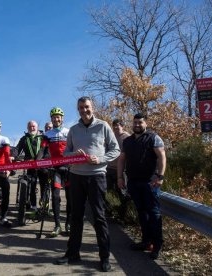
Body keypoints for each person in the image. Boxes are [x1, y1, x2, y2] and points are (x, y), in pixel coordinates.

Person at [56, 96, 120, 272]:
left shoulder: (103, 126)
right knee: (76, 216)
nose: (84, 110)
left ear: (92, 107)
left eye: (87, 107)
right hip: (76, 176)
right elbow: (65, 153)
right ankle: (73, 254)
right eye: (81, 108)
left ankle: (104, 257)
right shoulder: (74, 130)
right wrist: (74, 154)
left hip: (96, 176)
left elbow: (115, 150)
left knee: (99, 217)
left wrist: (99, 159)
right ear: (78, 110)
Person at [117, 113, 166, 260]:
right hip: (133, 182)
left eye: (140, 122)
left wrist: (160, 176)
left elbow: (162, 156)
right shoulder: (128, 141)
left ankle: (157, 246)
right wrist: (120, 178)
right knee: (141, 213)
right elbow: (121, 160)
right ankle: (146, 242)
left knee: (154, 214)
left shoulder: (153, 138)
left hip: (150, 183)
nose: (137, 125)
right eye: (135, 123)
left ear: (146, 123)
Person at [37, 107, 71, 237]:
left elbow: (74, 147)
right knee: (55, 196)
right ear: (51, 119)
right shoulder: (48, 134)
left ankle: (68, 223)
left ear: (62, 118)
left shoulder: (69, 132)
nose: (56, 119)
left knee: (70, 197)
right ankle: (57, 225)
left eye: (58, 117)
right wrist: (37, 163)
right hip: (55, 168)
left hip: (68, 167)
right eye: (54, 117)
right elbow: (42, 150)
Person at [16, 120, 45, 210]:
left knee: (43, 185)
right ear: (27, 128)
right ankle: (33, 205)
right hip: (30, 165)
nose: (32, 128)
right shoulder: (24, 139)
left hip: (42, 165)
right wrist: (13, 156)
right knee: (31, 185)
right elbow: (17, 149)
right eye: (30, 126)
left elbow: (46, 150)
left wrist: (41, 160)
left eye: (33, 126)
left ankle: (43, 203)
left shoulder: (43, 138)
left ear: (37, 128)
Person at [105, 119, 130, 217]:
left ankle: (123, 214)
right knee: (107, 191)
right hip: (109, 168)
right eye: (114, 125)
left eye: (118, 125)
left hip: (122, 170)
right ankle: (109, 212)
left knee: (122, 192)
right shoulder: (111, 137)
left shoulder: (127, 137)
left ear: (122, 126)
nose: (115, 127)